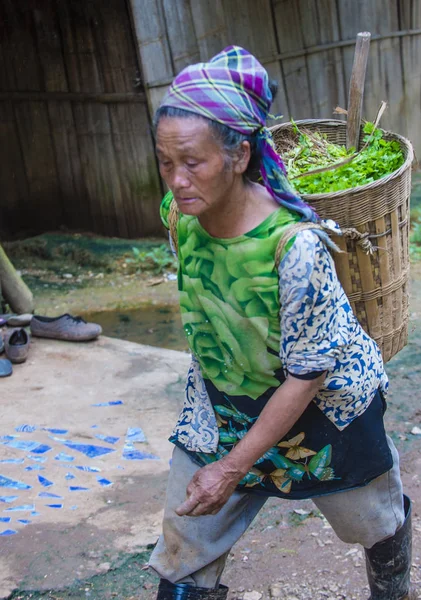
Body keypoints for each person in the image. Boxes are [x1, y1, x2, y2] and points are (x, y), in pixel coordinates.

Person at [148, 46, 413, 600]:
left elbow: (307, 374)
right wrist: (220, 459)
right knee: (182, 552)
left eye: (192, 162)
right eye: (165, 162)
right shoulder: (182, 217)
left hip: (325, 410)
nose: (176, 179)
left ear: (240, 155)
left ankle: (391, 590)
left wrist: (230, 469)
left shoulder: (294, 250)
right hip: (225, 405)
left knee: (373, 522)